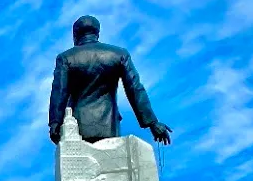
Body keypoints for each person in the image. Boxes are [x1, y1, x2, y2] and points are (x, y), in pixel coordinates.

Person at [48, 15, 172, 145]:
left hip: (76, 127)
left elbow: (59, 92)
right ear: (97, 33)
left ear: (75, 35)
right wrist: (152, 123)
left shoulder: (66, 58)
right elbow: (135, 88)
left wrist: (55, 123)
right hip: (109, 126)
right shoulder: (119, 54)